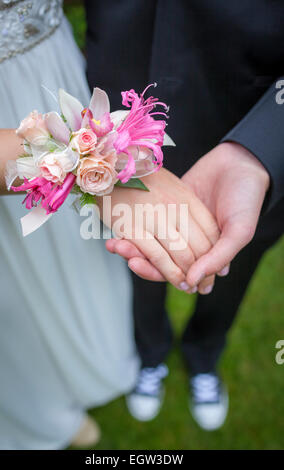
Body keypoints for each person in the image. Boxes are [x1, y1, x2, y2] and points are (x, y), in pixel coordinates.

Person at [0, 0, 221, 448]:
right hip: (6, 141)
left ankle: (77, 376)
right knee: (1, 301)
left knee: (80, 269)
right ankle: (41, 413)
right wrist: (98, 173)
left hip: (56, 80)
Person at [84, 0, 284, 430]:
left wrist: (264, 144)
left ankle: (204, 355)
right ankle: (150, 352)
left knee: (232, 265)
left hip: (245, 109)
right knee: (137, 261)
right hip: (117, 120)